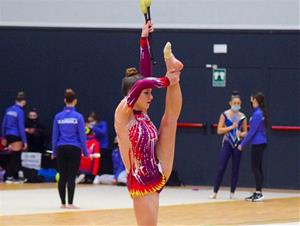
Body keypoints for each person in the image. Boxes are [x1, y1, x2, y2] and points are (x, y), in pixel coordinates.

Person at [114, 21, 183, 226]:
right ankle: (173, 76)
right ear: (132, 95)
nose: (151, 97)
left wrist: (144, 39)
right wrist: (164, 81)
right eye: (147, 94)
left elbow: (143, 78)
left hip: (158, 166)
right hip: (142, 181)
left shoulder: (142, 112)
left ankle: (175, 70)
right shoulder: (122, 114)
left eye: (151, 93)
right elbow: (143, 83)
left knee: (169, 121)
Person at [52, 89, 89, 209]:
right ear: (75, 101)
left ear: (64, 100)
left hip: (61, 148)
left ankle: (62, 203)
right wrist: (86, 151)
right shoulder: (78, 117)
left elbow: (55, 136)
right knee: (71, 176)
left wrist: (54, 151)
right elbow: (82, 136)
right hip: (74, 149)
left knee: (62, 176)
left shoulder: (58, 116)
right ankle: (71, 203)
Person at [211, 91, 247, 199]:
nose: (236, 105)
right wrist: (230, 127)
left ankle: (232, 193)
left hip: (237, 143)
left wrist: (241, 133)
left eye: (238, 103)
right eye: (234, 103)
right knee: (221, 167)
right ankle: (215, 191)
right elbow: (219, 130)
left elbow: (246, 132)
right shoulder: (224, 114)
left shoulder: (242, 116)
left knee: (235, 168)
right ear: (230, 103)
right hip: (227, 142)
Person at [238, 92, 268, 202]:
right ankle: (257, 192)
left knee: (256, 168)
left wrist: (242, 144)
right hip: (259, 142)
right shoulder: (258, 112)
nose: (250, 100)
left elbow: (252, 132)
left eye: (252, 99)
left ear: (255, 100)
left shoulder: (257, 114)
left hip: (258, 143)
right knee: (257, 168)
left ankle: (259, 193)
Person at [1, 91, 28, 183]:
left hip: (8, 135)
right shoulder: (20, 111)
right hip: (16, 135)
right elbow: (21, 127)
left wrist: (3, 137)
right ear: (23, 101)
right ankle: (9, 176)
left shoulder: (8, 109)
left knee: (14, 156)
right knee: (16, 156)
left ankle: (16, 176)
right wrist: (25, 141)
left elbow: (3, 124)